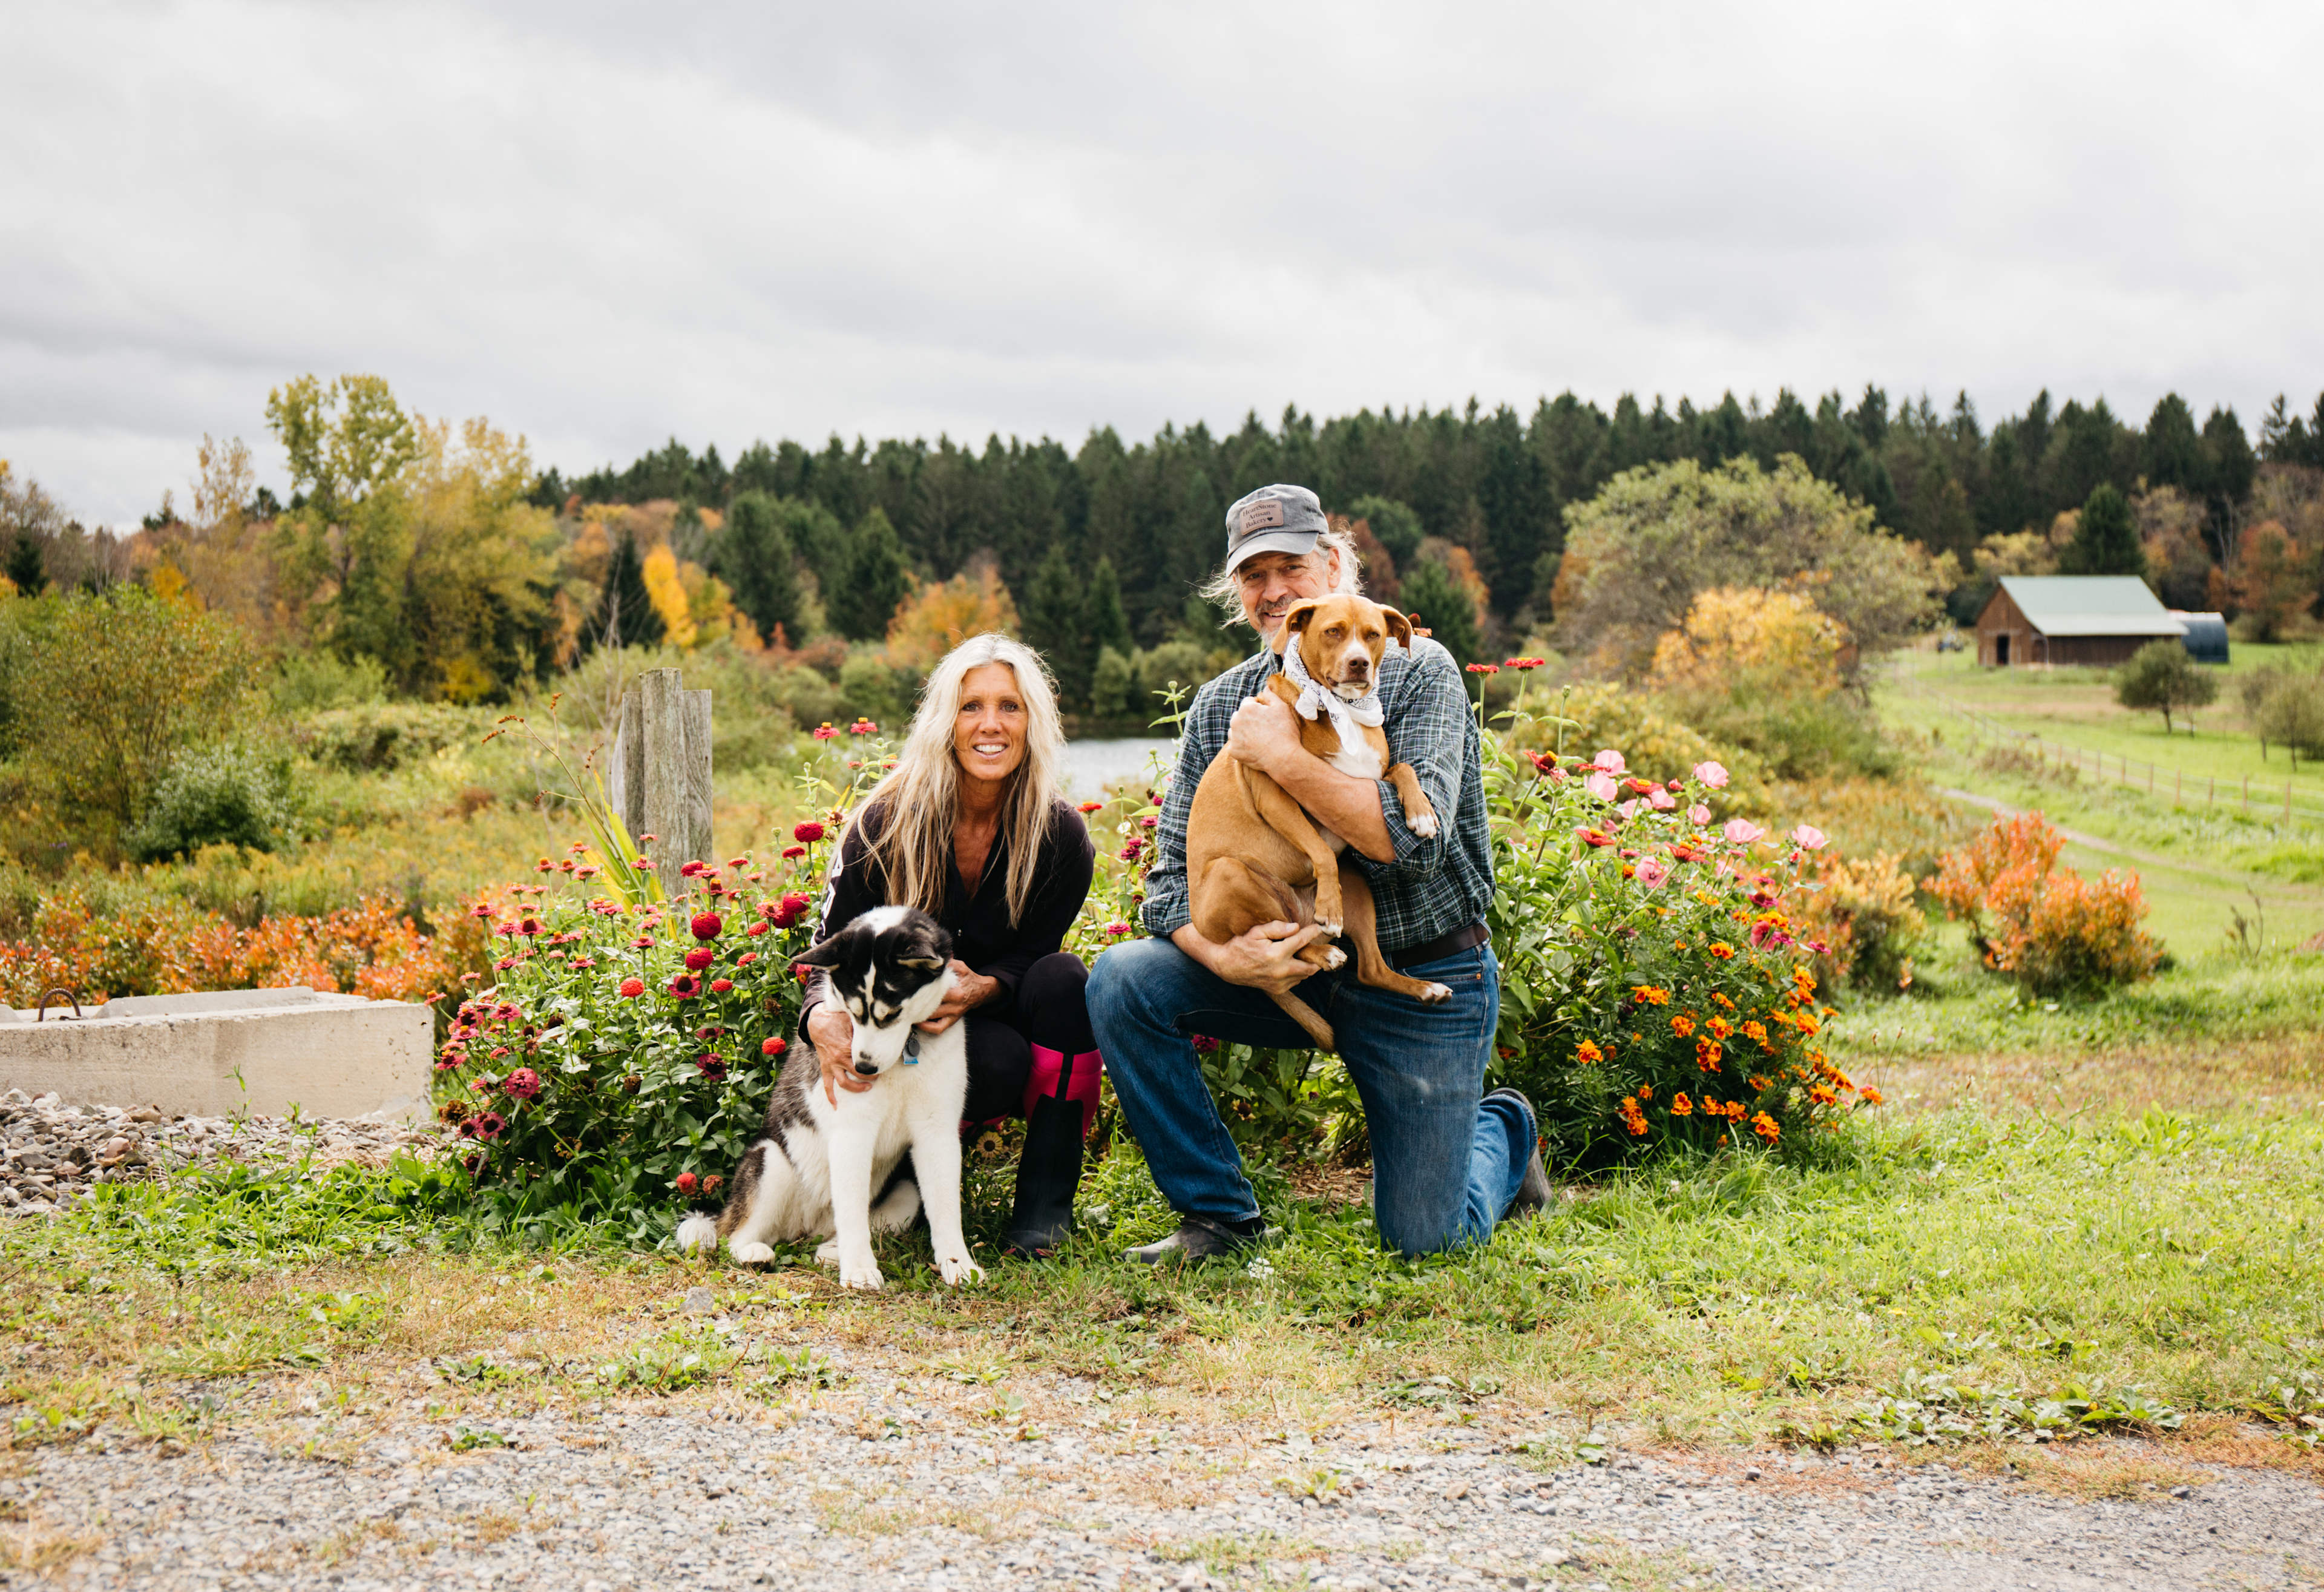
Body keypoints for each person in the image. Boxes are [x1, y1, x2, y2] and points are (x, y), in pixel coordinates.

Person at [1086, 483, 1549, 1261]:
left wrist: (1282, 758)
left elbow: (1415, 842)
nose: (1272, 591)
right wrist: (1225, 956)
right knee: (1124, 978)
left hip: (1423, 969)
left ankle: (1503, 1127)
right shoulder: (1221, 705)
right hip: (1292, 967)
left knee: (1425, 1241)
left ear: (1335, 566)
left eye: (1291, 567)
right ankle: (1219, 1217)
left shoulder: (1418, 669)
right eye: (1252, 575)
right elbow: (1167, 888)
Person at [799, 633, 1098, 1257]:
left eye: (1010, 706)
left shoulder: (1062, 834)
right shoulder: (882, 822)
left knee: (1067, 980)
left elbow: (1036, 953)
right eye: (971, 706)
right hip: (905, 1031)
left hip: (994, 1012)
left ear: (1033, 720)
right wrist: (818, 1017)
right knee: (984, 1061)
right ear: (944, 719)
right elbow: (830, 947)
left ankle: (1044, 1207)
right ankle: (905, 1181)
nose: (991, 724)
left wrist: (985, 985)